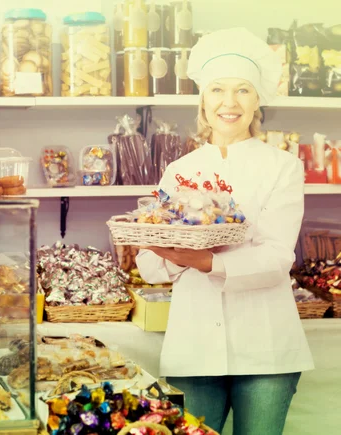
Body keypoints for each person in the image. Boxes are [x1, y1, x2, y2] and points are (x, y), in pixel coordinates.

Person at [135, 28, 314, 435]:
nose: (229, 103)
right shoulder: (178, 171)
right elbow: (149, 261)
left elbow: (277, 256)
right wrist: (174, 256)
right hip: (194, 343)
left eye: (243, 91)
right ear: (203, 99)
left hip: (267, 346)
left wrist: (205, 260)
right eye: (217, 89)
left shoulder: (282, 167)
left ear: (257, 102)